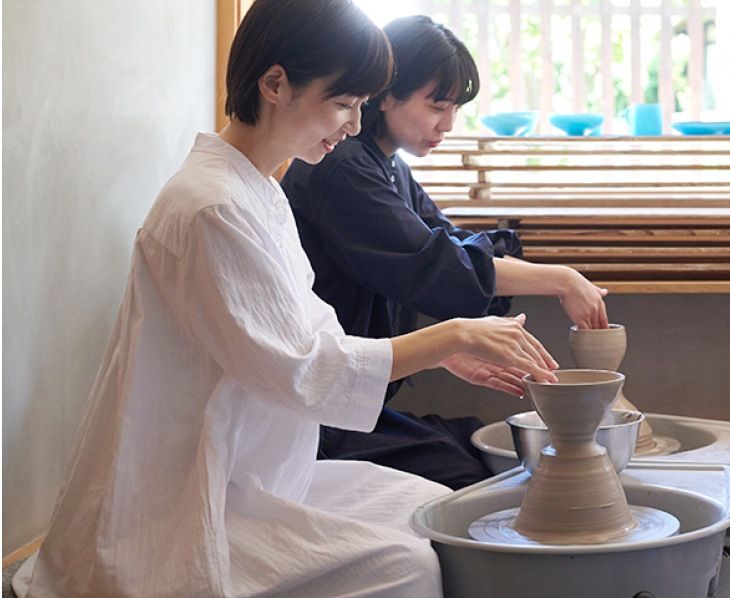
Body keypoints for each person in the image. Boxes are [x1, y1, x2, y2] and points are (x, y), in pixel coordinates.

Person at [13, 2, 559, 597]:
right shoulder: (213, 207)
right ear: (275, 84)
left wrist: (437, 353)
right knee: (407, 565)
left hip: (263, 472)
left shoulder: (257, 192)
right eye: (344, 104)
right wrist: (447, 336)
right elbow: (301, 369)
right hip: (196, 489)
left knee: (436, 508)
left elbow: (313, 331)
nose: (353, 126)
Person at [281, 15, 609, 490]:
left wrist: (447, 350)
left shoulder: (385, 164)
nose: (448, 124)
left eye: (455, 108)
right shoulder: (342, 168)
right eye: (438, 105)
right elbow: (433, 266)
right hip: (317, 417)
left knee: (479, 444)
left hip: (352, 402)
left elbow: (447, 240)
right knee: (468, 471)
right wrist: (560, 280)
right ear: (386, 93)